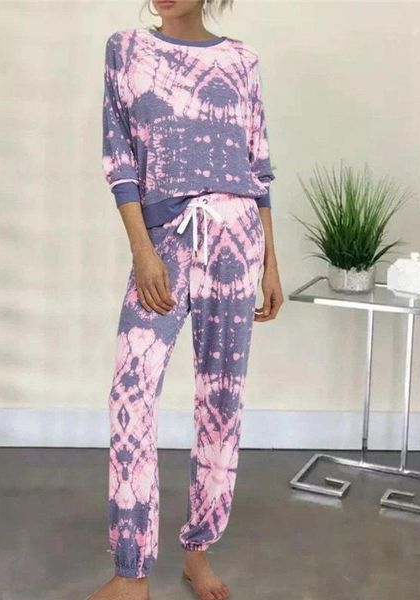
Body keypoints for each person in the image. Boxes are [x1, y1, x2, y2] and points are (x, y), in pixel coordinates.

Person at [89, 1, 283, 598]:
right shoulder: (127, 49)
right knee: (131, 393)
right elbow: (119, 158)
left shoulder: (242, 60)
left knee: (220, 398)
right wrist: (143, 250)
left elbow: (259, 165)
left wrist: (271, 262)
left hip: (237, 237)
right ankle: (131, 570)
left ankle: (198, 550)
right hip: (165, 239)